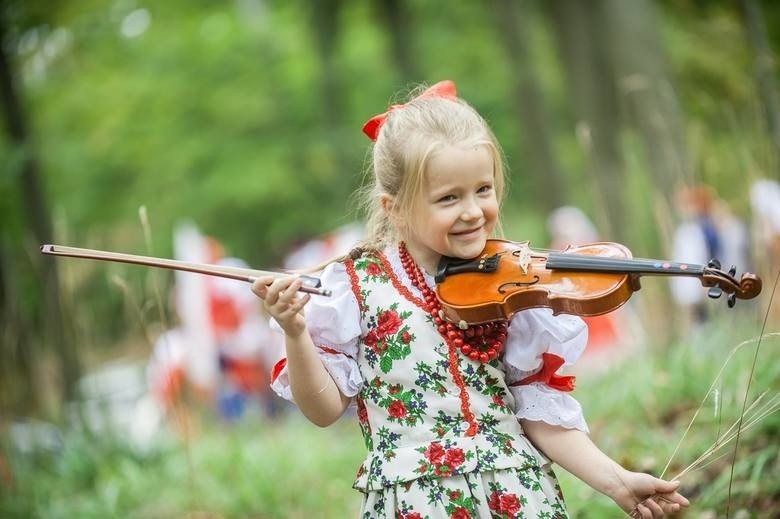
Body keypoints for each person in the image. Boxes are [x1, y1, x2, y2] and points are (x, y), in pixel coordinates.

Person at [252, 81, 688, 518]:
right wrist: (295, 332)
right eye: (448, 198)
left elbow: (539, 416)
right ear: (394, 207)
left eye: (483, 189)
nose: (473, 211)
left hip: (519, 493)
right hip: (417, 503)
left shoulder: (509, 284)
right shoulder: (355, 287)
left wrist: (616, 482)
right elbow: (324, 410)